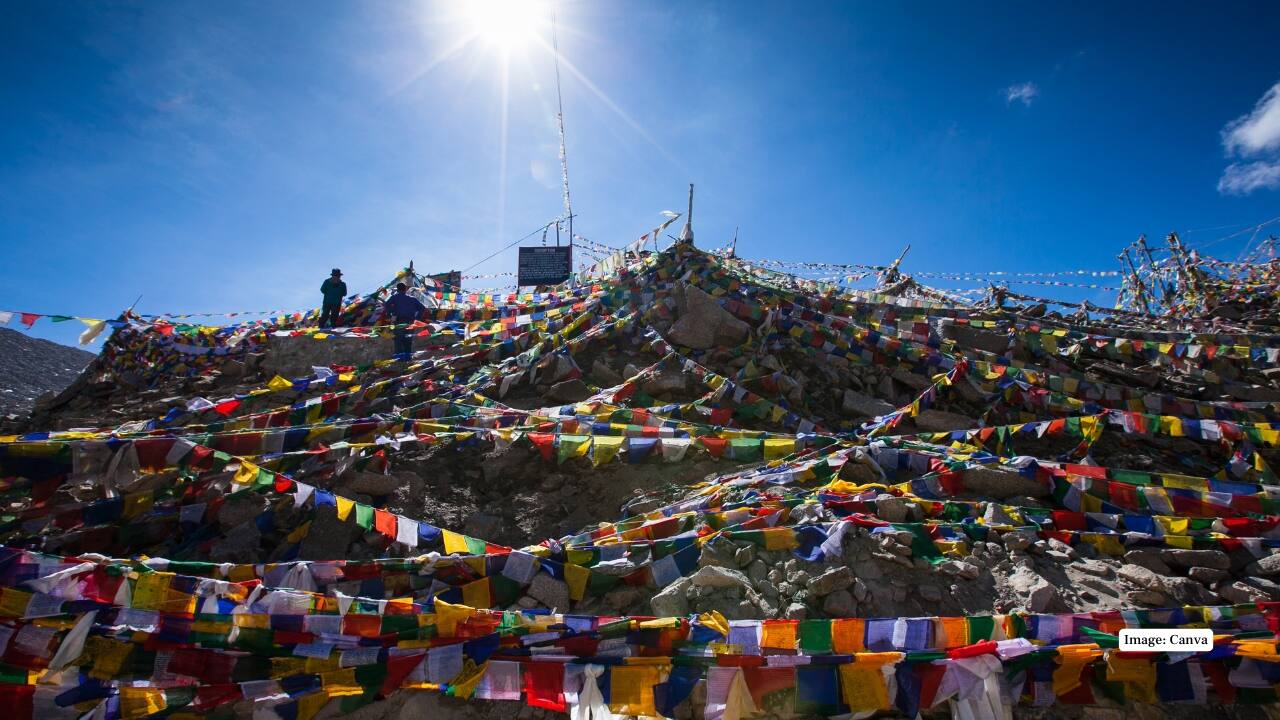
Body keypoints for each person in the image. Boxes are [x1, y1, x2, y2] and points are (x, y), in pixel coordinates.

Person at [384, 282, 426, 357]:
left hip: (399, 321)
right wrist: (417, 319)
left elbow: (387, 305)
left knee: (398, 340)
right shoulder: (412, 298)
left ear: (397, 289)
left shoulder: (395, 297)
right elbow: (422, 308)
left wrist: (392, 312)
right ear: (405, 289)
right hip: (410, 322)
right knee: (408, 340)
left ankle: (398, 358)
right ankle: (407, 358)